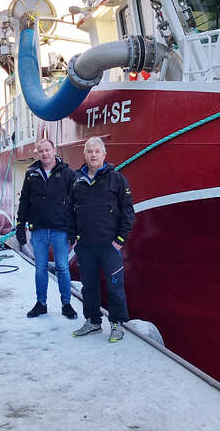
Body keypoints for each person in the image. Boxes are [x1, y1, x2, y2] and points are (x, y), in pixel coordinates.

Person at [69, 137, 135, 342]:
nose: (93, 155)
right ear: (84, 154)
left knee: (115, 285)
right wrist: (74, 237)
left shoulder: (117, 179)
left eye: (97, 151)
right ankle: (93, 322)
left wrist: (119, 241)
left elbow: (128, 212)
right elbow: (69, 211)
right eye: (90, 151)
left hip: (109, 245)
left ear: (104, 155)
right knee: (88, 286)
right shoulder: (76, 180)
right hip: (85, 245)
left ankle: (117, 324)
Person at [16, 138, 77, 319]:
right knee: (40, 267)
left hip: (60, 229)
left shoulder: (67, 174)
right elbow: (24, 200)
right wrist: (20, 225)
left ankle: (66, 304)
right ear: (37, 153)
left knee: (62, 267)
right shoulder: (31, 174)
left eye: (47, 150)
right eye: (41, 150)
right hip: (39, 229)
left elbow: (75, 203)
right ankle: (41, 304)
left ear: (54, 150)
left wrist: (74, 230)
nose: (44, 153)